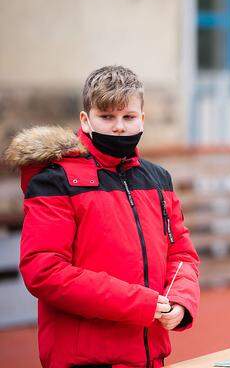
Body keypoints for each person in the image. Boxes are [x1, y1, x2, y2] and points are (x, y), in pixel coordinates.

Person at [5, 65, 200, 368]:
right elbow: (44, 271)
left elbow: (181, 254)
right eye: (107, 117)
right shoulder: (55, 179)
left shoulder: (158, 178)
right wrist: (140, 304)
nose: (119, 127)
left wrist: (181, 300)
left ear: (142, 119)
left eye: (128, 117)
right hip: (85, 360)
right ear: (86, 119)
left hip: (150, 359)